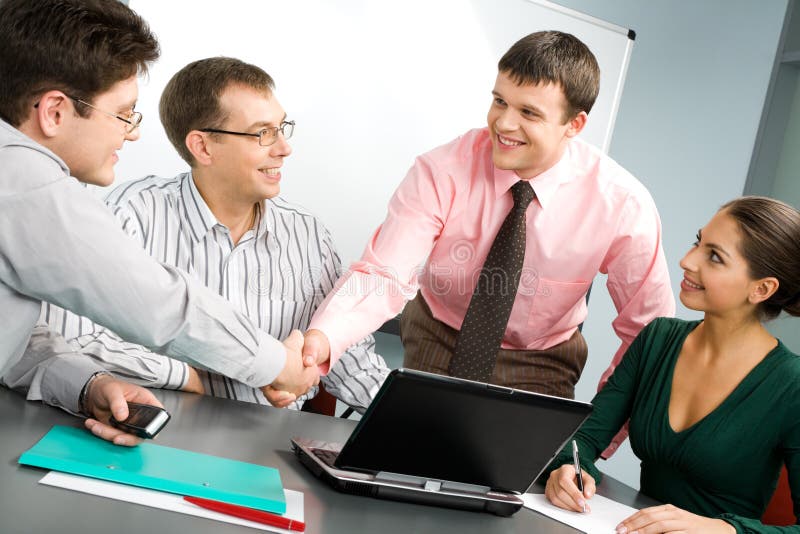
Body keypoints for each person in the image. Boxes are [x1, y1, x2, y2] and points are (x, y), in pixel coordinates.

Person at [0, 0, 317, 446]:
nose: (130, 133)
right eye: (124, 113)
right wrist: (275, 364)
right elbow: (159, 305)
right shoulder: (23, 182)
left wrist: (89, 385)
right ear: (54, 112)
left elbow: (11, 337)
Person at [304, 30, 674, 410]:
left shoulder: (622, 204)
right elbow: (383, 274)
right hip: (438, 332)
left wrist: (598, 434)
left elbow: (648, 331)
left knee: (523, 468)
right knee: (419, 446)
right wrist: (322, 339)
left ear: (574, 125)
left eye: (528, 112)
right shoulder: (442, 170)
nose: (504, 124)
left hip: (541, 359)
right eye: (500, 101)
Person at [6, 57, 389, 413]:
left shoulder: (308, 236)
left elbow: (346, 358)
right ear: (202, 146)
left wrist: (415, 423)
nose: (285, 149)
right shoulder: (131, 213)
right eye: (263, 134)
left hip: (265, 449)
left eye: (282, 128)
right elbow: (77, 337)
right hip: (162, 429)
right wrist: (193, 377)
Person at [545, 196, 800, 533]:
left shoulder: (791, 384)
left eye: (714, 257)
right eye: (699, 242)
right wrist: (567, 468)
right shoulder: (658, 339)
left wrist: (723, 530)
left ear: (762, 289)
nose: (686, 260)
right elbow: (584, 438)